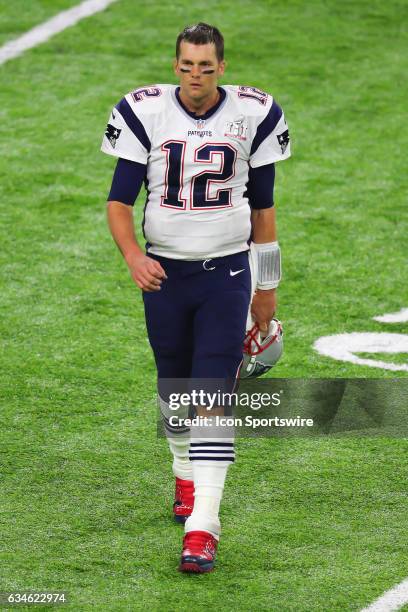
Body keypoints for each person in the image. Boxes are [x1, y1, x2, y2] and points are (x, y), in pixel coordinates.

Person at [101, 22, 291, 573]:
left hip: (227, 273)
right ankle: (184, 474)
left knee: (211, 392)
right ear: (175, 64)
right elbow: (118, 201)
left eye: (206, 67)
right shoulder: (146, 111)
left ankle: (202, 524)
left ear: (222, 68)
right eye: (187, 65)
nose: (196, 76)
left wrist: (268, 288)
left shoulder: (253, 113)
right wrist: (134, 255)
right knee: (173, 387)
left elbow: (264, 211)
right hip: (165, 274)